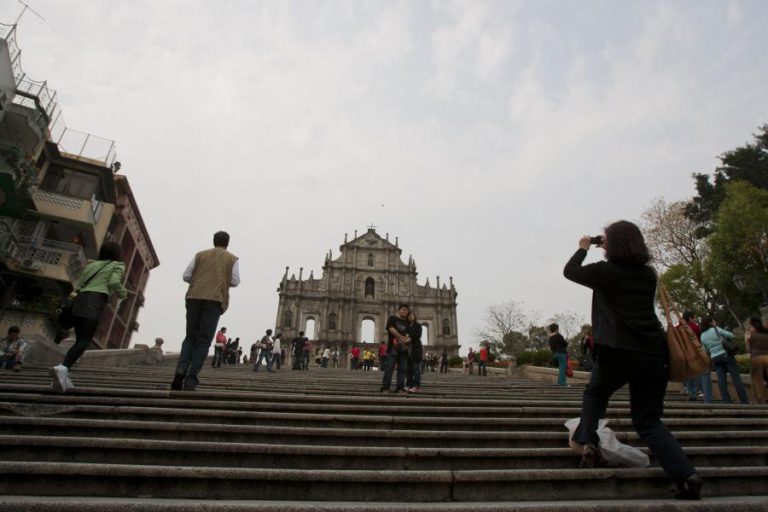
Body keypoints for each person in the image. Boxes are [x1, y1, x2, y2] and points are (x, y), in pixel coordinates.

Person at [563, 220, 701, 500]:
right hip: (652, 354)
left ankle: (585, 440)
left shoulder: (605, 272)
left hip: (616, 351)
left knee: (595, 393)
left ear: (611, 245)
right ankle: (686, 475)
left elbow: (570, 271)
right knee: (649, 420)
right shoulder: (648, 274)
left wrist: (584, 247)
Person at [51, 241, 128, 392]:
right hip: (94, 300)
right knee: (84, 340)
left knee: (79, 339)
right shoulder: (118, 265)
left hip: (78, 299)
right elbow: (113, 282)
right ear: (117, 254)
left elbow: (79, 284)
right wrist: (123, 293)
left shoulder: (92, 265)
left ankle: (63, 376)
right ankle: (63, 368)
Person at [171, 231, 239, 391]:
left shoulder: (200, 255)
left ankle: (180, 371)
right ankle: (191, 378)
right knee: (203, 341)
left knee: (190, 337)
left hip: (194, 298)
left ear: (213, 241)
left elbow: (186, 276)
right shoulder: (232, 259)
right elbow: (235, 281)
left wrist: (200, 280)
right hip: (214, 300)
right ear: (227, 243)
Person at [699, 317, 748, 404]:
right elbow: (731, 335)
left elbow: (705, 350)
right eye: (713, 320)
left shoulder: (702, 336)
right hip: (726, 355)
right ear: (711, 322)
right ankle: (744, 401)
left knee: (721, 381)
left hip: (715, 358)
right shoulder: (715, 329)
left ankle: (727, 401)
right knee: (736, 379)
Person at [381, 304, 410, 393]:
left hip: (404, 349)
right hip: (392, 348)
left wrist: (408, 339)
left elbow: (411, 334)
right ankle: (385, 387)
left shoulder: (408, 323)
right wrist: (401, 337)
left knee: (402, 369)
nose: (404, 311)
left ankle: (400, 388)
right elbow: (390, 328)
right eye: (403, 309)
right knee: (389, 367)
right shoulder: (392, 318)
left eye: (406, 310)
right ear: (399, 310)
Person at [681, 312, 707, 401]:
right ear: (690, 318)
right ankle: (699, 390)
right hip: (696, 352)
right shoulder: (695, 327)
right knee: (698, 372)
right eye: (694, 317)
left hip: (685, 353)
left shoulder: (680, 328)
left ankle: (691, 393)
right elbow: (699, 340)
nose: (695, 319)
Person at [745, 317, 768, 404]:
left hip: (756, 358)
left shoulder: (750, 334)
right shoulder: (766, 332)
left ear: (751, 324)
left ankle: (760, 401)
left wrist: (746, 339)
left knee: (757, 381)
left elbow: (748, 349)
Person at [405, 312, 423, 392]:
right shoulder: (407, 326)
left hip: (416, 348)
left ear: (414, 316)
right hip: (407, 348)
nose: (411, 316)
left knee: (416, 368)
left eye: (412, 315)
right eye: (409, 315)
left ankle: (417, 386)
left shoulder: (418, 325)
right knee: (409, 369)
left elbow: (418, 335)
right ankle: (409, 384)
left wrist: (410, 337)